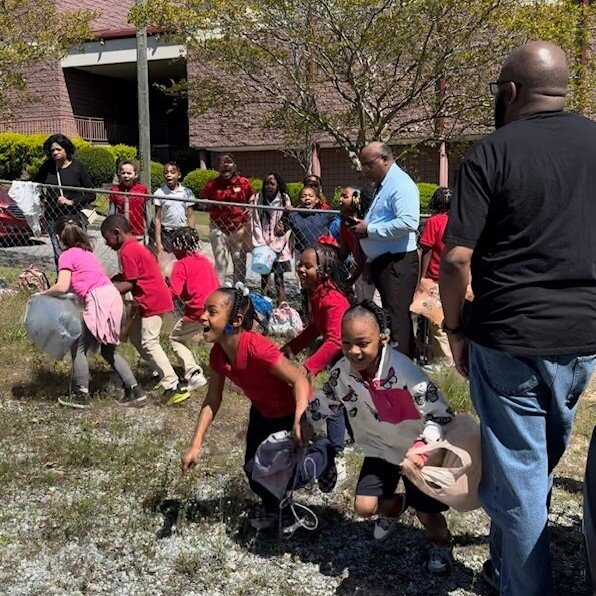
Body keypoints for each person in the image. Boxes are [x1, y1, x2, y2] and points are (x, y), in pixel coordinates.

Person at [439, 41, 596, 596]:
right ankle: (505, 567)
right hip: (582, 339)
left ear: (510, 91)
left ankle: (525, 587)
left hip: (507, 338)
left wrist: (454, 328)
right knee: (535, 467)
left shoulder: (490, 152)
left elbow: (457, 257)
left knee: (523, 478)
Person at [308, 300, 454, 574]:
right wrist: (303, 430)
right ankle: (397, 506)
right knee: (364, 507)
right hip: (380, 449)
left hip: (416, 454)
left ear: (383, 339)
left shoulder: (404, 371)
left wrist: (423, 449)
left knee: (428, 514)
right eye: (347, 342)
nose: (354, 351)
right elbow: (325, 401)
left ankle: (443, 543)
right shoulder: (342, 371)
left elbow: (441, 413)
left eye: (362, 342)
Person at [181, 284, 334, 531]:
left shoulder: (258, 348)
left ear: (237, 320)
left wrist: (300, 420)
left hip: (291, 411)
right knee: (254, 471)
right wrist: (195, 445)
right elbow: (212, 400)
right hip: (262, 412)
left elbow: (299, 379)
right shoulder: (218, 355)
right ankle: (277, 511)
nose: (203, 317)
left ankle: (325, 454)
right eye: (204, 311)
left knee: (291, 473)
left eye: (212, 312)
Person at [40, 217, 146, 409]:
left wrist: (41, 294)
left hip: (99, 301)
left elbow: (63, 285)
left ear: (57, 237)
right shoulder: (87, 253)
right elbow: (77, 286)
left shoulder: (67, 255)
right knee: (108, 350)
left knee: (77, 346)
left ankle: (81, 392)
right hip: (113, 298)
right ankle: (135, 390)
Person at [100, 214, 189, 405]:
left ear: (117, 233)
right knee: (136, 337)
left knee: (149, 342)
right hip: (151, 298)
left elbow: (130, 283)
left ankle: (173, 385)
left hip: (153, 300)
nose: (107, 244)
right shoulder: (133, 247)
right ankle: (159, 372)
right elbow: (131, 276)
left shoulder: (127, 251)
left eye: (107, 239)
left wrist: (103, 291)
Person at [282, 243, 352, 466]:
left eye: (308, 266)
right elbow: (315, 329)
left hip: (353, 358)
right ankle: (346, 441)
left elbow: (335, 340)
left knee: (333, 399)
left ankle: (336, 451)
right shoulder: (317, 294)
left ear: (324, 271)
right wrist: (289, 350)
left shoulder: (333, 300)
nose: (301, 269)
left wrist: (308, 367)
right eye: (300, 264)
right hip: (344, 358)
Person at [349, 142, 420, 358]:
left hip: (397, 262)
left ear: (385, 159)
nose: (364, 170)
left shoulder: (400, 184)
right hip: (384, 262)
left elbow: (409, 223)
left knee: (397, 317)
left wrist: (369, 229)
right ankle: (397, 361)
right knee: (391, 315)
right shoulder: (384, 185)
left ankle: (401, 368)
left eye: (368, 164)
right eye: (362, 165)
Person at [167, 227, 219, 391]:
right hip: (216, 307)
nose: (173, 250)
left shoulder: (181, 265)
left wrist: (159, 297)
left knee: (176, 339)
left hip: (197, 311)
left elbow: (174, 292)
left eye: (174, 246)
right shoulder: (204, 261)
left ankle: (194, 373)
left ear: (179, 246)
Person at [34, 134, 95, 269]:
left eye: (58, 149)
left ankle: (80, 280)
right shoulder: (47, 167)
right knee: (59, 254)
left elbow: (91, 195)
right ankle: (63, 283)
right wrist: (41, 199)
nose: (55, 152)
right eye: (52, 150)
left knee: (78, 252)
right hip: (53, 218)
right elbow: (34, 186)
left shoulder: (78, 167)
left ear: (66, 149)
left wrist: (71, 202)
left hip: (73, 218)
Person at [201, 153, 254, 284]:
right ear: (218, 167)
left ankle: (238, 294)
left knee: (239, 261)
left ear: (235, 166)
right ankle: (220, 293)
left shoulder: (244, 183)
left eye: (229, 162)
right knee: (220, 263)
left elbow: (252, 198)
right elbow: (202, 201)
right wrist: (206, 204)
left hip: (239, 227)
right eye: (222, 162)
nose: (225, 164)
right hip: (218, 227)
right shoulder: (211, 185)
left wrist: (251, 207)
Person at [418, 187, 453, 366]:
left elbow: (427, 251)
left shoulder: (433, 222)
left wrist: (422, 278)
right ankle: (437, 359)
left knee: (436, 324)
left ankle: (448, 365)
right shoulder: (460, 220)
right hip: (458, 279)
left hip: (435, 279)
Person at [251, 173, 293, 303]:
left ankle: (281, 308)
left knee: (279, 279)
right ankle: (265, 306)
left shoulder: (284, 199)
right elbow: (255, 221)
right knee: (265, 279)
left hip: (280, 247)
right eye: (266, 183)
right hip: (263, 246)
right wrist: (261, 245)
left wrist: (276, 247)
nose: (269, 186)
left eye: (272, 184)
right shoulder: (259, 198)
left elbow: (286, 225)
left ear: (278, 185)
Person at [338, 186, 376, 302]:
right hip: (360, 273)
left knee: (375, 306)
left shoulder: (363, 225)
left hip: (372, 272)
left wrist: (351, 280)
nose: (340, 200)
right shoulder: (344, 224)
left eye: (345, 196)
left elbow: (363, 258)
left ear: (356, 200)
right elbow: (344, 251)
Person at [275, 186, 339, 255]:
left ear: (317, 199)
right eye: (303, 196)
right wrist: (285, 215)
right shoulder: (294, 215)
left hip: (321, 253)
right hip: (302, 254)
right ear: (299, 200)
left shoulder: (324, 214)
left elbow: (340, 220)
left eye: (310, 196)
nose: (307, 198)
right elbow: (278, 232)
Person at [153, 161, 196, 253]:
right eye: (166, 172)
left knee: (183, 259)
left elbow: (190, 215)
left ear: (179, 175)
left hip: (182, 232)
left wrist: (192, 235)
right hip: (167, 233)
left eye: (172, 172)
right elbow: (157, 218)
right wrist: (158, 241)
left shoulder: (187, 192)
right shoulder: (159, 193)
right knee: (169, 261)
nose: (169, 175)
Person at [108, 160, 148, 239]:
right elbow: (111, 212)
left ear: (135, 175)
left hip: (138, 232)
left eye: (129, 173)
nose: (126, 176)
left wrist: (148, 230)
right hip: (121, 232)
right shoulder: (115, 190)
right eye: (123, 173)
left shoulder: (142, 189)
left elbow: (147, 212)